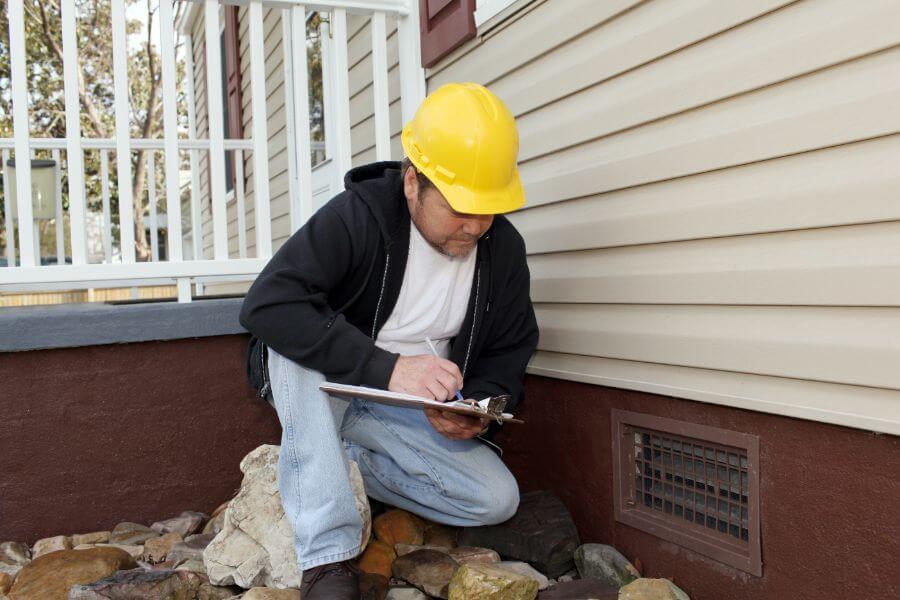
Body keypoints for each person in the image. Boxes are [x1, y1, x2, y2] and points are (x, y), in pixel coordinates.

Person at [239, 82, 539, 599]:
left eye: (486, 208)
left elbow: (511, 347)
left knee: (495, 499)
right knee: (292, 345)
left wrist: (480, 404)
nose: (474, 225)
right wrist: (392, 368)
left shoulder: (503, 248)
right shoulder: (358, 216)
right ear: (411, 183)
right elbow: (268, 304)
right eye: (459, 206)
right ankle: (327, 560)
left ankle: (328, 461)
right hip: (325, 384)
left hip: (400, 414)